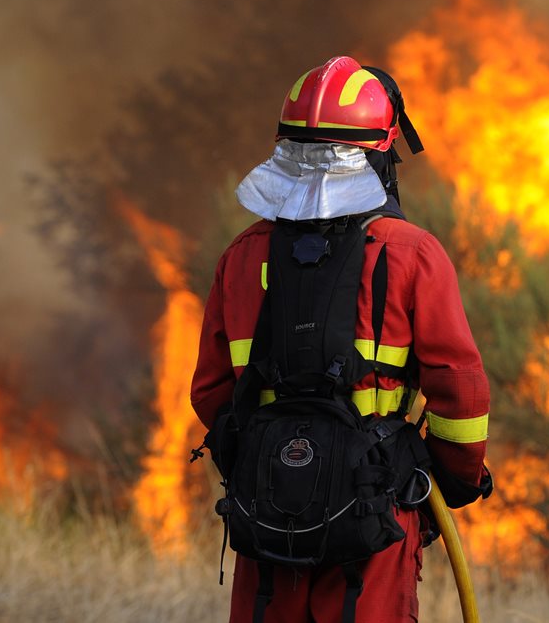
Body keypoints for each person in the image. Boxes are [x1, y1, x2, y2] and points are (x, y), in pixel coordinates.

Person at [191, 56, 492, 622]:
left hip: (268, 512)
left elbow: (210, 392)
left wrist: (268, 464)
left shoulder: (242, 255)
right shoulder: (411, 253)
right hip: (376, 514)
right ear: (382, 151)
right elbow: (462, 392)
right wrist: (452, 481)